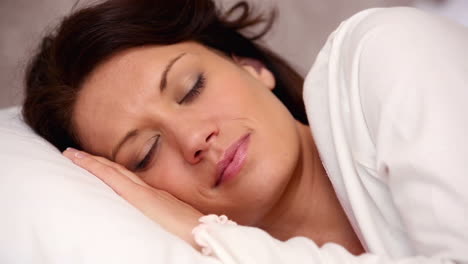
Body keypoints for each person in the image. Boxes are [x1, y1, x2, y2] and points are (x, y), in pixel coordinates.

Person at [22, 0, 468, 263]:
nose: (195, 139)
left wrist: (211, 234)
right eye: (146, 152)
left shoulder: (381, 52)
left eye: (191, 88)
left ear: (251, 67)